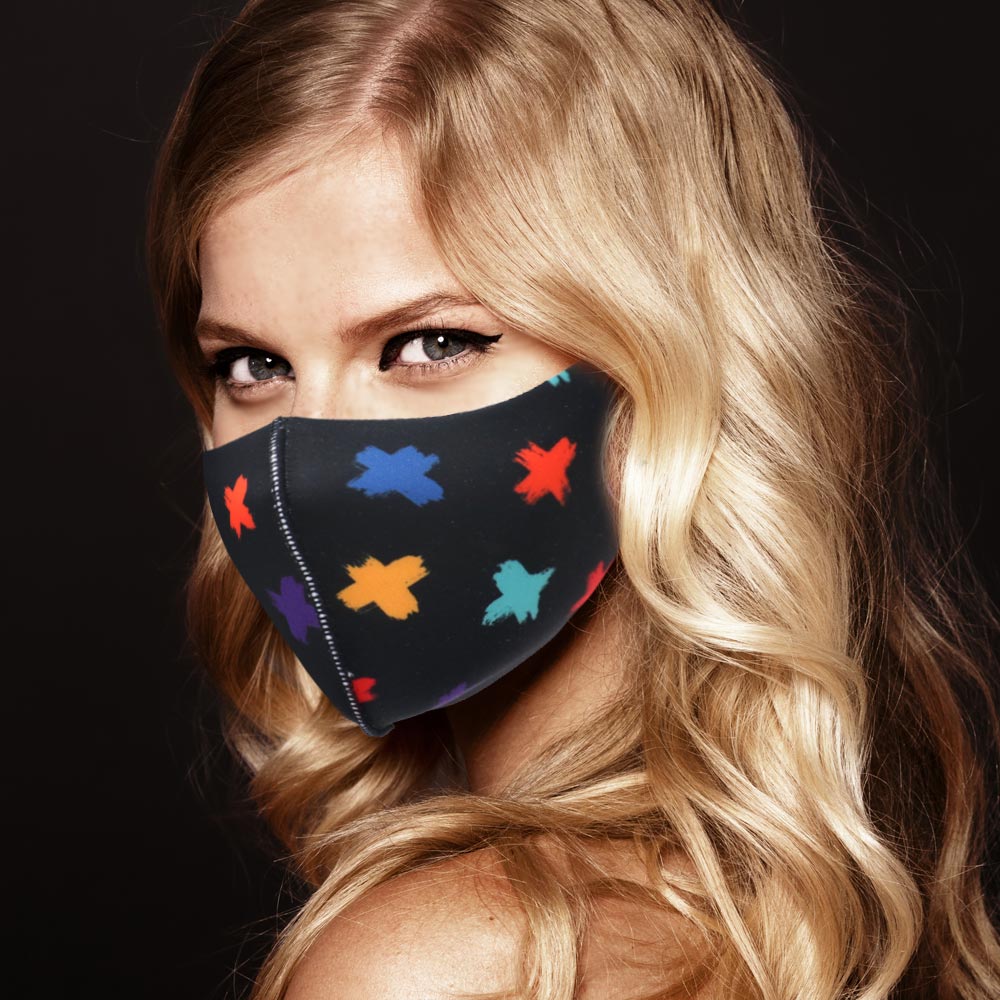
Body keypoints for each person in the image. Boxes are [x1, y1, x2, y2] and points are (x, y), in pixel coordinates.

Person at [144, 1, 1000, 996]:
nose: (313, 471)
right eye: (253, 366)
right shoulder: (802, 901)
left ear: (670, 360)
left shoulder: (443, 963)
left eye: (430, 343)